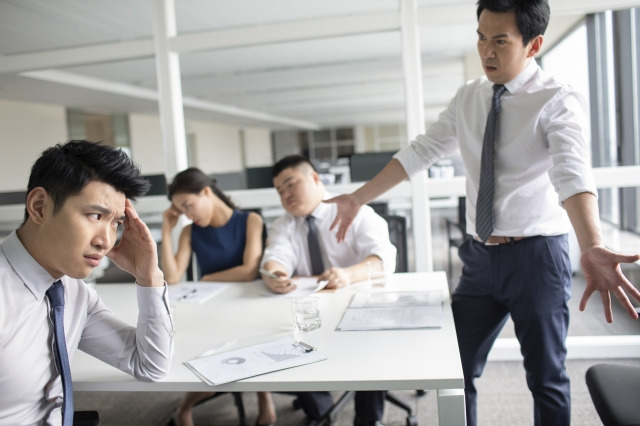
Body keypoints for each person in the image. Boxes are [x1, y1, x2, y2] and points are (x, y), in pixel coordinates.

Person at [326, 1, 640, 425]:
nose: (486, 51)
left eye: (499, 41)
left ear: (534, 45)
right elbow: (421, 152)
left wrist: (593, 244)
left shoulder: (556, 100)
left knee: (545, 378)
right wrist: (357, 198)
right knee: (454, 367)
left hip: (537, 258)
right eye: (480, 37)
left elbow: (572, 176)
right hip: (479, 259)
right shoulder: (469, 97)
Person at [0, 140, 173, 425]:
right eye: (95, 215)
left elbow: (150, 364)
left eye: (116, 222)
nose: (105, 241)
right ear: (39, 206)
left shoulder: (71, 292)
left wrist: (149, 276)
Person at [260, 155, 397, 426]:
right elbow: (276, 257)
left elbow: (383, 260)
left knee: (371, 344)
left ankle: (368, 420)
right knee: (285, 338)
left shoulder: (355, 211)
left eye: (290, 185)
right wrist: (275, 275)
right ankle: (321, 412)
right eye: (279, 191)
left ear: (314, 178)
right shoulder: (283, 225)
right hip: (310, 310)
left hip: (359, 310)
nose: (285, 195)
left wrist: (347, 274)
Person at [161, 167, 276, 426]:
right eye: (182, 211)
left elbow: (248, 271)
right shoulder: (191, 232)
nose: (188, 215)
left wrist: (206, 278)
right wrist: (167, 231)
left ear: (206, 192)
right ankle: (184, 407)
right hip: (213, 308)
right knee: (205, 359)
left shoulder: (251, 221)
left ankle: (263, 394)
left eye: (189, 206)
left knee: (254, 341)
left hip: (250, 305)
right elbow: (173, 277)